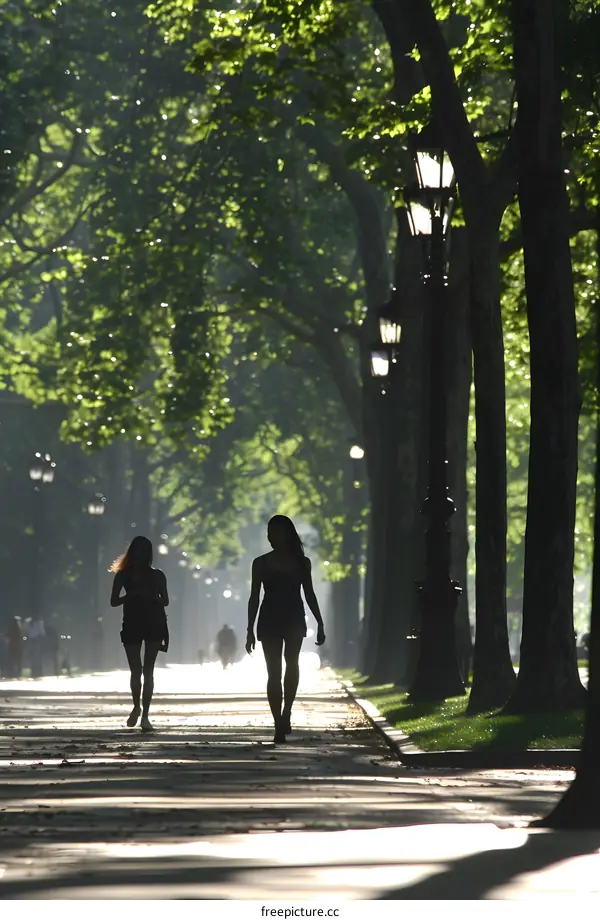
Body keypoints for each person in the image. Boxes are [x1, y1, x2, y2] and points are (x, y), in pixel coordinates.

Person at [246, 514, 325, 743]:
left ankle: (287, 711)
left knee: (292, 664)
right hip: (269, 618)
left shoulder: (302, 563)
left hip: (293, 617)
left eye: (275, 532)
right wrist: (249, 628)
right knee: (273, 672)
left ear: (286, 534)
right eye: (269, 533)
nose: (271, 537)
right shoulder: (260, 563)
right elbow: (254, 598)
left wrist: (319, 621)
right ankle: (277, 722)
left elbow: (309, 593)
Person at [110, 536, 169, 732]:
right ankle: (137, 705)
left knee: (148, 670)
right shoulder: (123, 575)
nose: (142, 555)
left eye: (145, 552)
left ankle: (145, 715)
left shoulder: (158, 575)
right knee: (136, 669)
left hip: (153, 623)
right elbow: (114, 601)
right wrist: (132, 595)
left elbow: (165, 601)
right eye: (139, 551)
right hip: (132, 623)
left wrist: (152, 597)